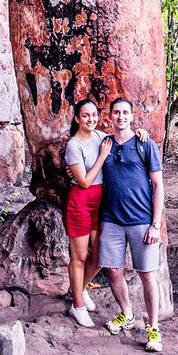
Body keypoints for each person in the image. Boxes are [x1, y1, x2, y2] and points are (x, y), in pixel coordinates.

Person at [63, 100, 151, 328]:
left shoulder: (102, 137)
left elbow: (125, 136)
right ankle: (78, 305)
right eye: (85, 116)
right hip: (80, 200)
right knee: (80, 257)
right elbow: (83, 182)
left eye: (94, 115)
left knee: (101, 257)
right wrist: (102, 157)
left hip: (101, 200)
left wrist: (141, 131)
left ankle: (78, 291)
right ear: (77, 119)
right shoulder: (74, 145)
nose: (90, 119)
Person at [98, 97, 165, 353]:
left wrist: (155, 224)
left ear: (132, 115)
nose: (121, 117)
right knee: (114, 271)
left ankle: (154, 328)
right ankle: (127, 314)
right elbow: (85, 158)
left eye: (125, 113)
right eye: (116, 113)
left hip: (141, 220)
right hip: (111, 218)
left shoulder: (144, 144)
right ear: (110, 116)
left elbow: (158, 185)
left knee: (147, 274)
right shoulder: (104, 143)